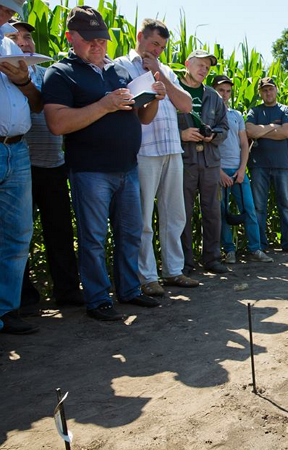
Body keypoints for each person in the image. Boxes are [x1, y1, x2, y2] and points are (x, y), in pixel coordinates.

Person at [43, 5, 166, 321]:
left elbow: (143, 117)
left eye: (102, 39)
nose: (98, 46)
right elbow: (57, 123)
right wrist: (104, 105)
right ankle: (98, 300)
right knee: (94, 238)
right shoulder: (60, 73)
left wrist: (154, 98)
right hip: (90, 171)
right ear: (71, 38)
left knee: (129, 234)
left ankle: (129, 291)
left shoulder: (119, 71)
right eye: (90, 40)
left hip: (127, 168)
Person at [115, 19, 199, 295]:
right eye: (154, 44)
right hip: (142, 151)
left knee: (175, 215)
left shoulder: (165, 70)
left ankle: (173, 271)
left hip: (172, 148)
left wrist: (159, 74)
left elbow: (185, 104)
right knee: (143, 218)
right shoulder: (121, 66)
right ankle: (147, 277)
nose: (158, 50)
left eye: (162, 47)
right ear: (140, 37)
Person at [5, 18, 83, 316]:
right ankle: (23, 299)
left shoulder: (45, 74)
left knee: (60, 231)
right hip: (21, 162)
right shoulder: (5, 74)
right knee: (17, 235)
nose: (25, 41)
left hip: (53, 164)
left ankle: (67, 291)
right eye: (16, 36)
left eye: (28, 36)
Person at [0, 0, 42, 334]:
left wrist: (24, 81)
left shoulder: (8, 43)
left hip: (18, 150)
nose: (7, 17)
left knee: (18, 234)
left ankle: (7, 310)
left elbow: (37, 103)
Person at [212, 74, 273, 264]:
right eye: (221, 90)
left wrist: (241, 169)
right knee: (221, 213)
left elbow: (244, 144)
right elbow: (207, 147)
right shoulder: (209, 114)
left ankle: (255, 249)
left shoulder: (236, 115)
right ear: (213, 91)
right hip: (217, 172)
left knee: (249, 210)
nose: (224, 94)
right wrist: (219, 172)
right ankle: (229, 250)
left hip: (238, 171)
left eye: (228, 91)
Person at [177, 50, 229, 274]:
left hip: (209, 161)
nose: (203, 70)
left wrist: (212, 135)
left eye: (207, 68)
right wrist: (182, 134)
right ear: (188, 64)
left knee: (212, 211)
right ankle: (185, 263)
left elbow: (224, 128)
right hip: (184, 160)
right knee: (183, 214)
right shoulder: (174, 90)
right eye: (199, 65)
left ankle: (212, 259)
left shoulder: (213, 96)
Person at [245, 77, 288, 254]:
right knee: (259, 207)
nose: (268, 93)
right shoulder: (254, 111)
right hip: (258, 165)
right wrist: (272, 126)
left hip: (282, 164)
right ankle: (260, 245)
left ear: (276, 90)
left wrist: (261, 131)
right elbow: (250, 131)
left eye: (270, 89)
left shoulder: (285, 111)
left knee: (286, 205)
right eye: (264, 90)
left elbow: (286, 132)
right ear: (260, 93)